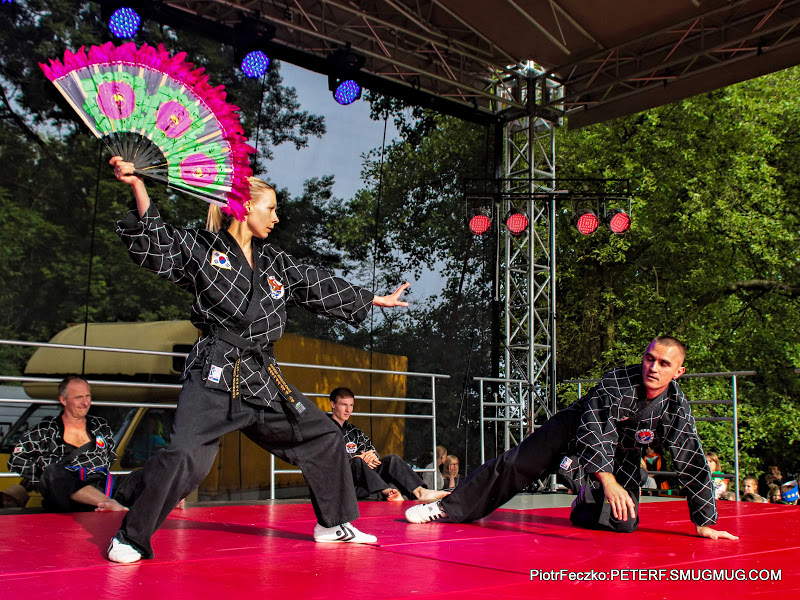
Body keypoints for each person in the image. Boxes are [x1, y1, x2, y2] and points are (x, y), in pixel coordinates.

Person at [107, 157, 410, 563]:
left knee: (323, 435)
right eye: (271, 208)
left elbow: (318, 284)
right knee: (185, 457)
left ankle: (332, 523)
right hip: (215, 369)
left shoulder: (274, 263)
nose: (276, 217)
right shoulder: (203, 248)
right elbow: (160, 244)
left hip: (262, 377)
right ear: (245, 206)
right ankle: (131, 536)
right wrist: (138, 186)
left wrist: (374, 299)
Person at [405, 336, 738, 540]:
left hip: (621, 455)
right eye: (649, 358)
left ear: (678, 372)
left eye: (664, 363)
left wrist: (705, 522)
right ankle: (447, 507)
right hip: (570, 432)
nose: (653, 367)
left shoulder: (677, 408)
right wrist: (605, 479)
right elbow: (596, 430)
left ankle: (583, 504)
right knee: (514, 465)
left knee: (625, 523)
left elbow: (691, 461)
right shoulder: (618, 382)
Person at [7, 375, 139, 512]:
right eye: (79, 397)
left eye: (88, 396)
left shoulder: (99, 426)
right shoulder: (44, 431)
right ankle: (107, 503)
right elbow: (16, 461)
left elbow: (110, 457)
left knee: (147, 473)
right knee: (52, 471)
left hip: (102, 485)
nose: (86, 403)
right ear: (63, 400)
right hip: (67, 495)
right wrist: (46, 478)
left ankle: (124, 508)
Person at [329, 387, 447, 503]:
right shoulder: (324, 429)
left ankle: (420, 492)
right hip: (341, 483)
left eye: (351, 405)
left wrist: (372, 457)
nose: (348, 410)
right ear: (333, 404)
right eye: (343, 405)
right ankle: (388, 492)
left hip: (365, 482)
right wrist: (357, 459)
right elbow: (326, 459)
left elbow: (372, 451)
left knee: (392, 459)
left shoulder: (354, 431)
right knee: (356, 462)